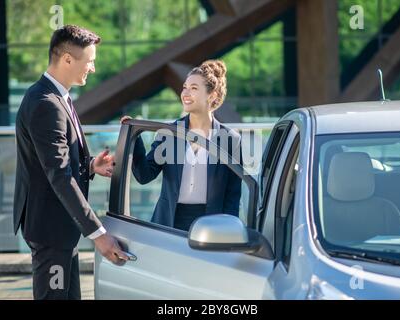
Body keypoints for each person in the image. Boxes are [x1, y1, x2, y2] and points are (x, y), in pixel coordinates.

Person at [14, 25, 128, 300]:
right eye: (89, 61)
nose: (93, 68)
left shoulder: (56, 97)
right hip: (51, 231)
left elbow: (50, 164)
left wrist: (89, 167)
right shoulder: (46, 103)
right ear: (67, 59)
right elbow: (59, 176)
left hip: (61, 230)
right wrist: (99, 235)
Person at [122, 60, 241, 231]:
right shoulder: (169, 133)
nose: (185, 93)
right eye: (185, 87)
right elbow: (144, 175)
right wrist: (135, 138)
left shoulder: (231, 140)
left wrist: (229, 233)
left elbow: (233, 196)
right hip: (169, 223)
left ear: (212, 95)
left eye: (193, 88)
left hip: (212, 226)